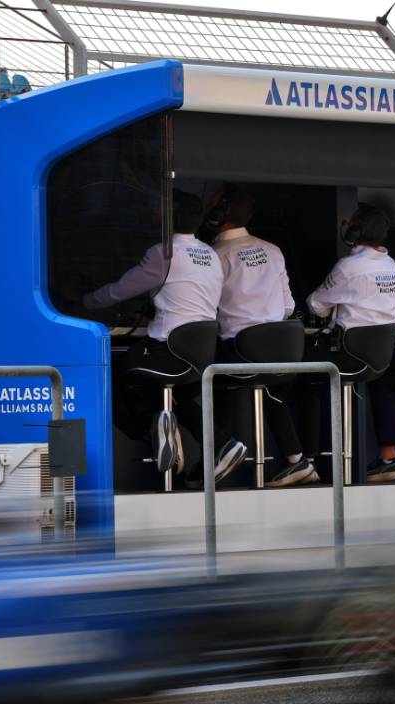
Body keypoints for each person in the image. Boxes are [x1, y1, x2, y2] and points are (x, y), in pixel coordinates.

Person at [84, 191, 247, 485]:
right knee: (176, 396)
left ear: (167, 218)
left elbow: (119, 291)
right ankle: (223, 443)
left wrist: (82, 303)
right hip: (201, 354)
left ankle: (153, 434)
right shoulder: (210, 253)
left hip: (168, 351)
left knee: (108, 375)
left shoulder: (165, 253)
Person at [210, 185, 314, 488]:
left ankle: (219, 452)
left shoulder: (215, 255)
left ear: (220, 213)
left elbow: (204, 308)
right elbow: (288, 306)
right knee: (268, 385)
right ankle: (296, 460)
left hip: (239, 352)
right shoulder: (273, 249)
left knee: (207, 373)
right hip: (281, 349)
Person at [297, 204, 395, 481]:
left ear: (356, 231)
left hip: (347, 355)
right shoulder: (392, 266)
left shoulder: (349, 266)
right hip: (379, 359)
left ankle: (305, 460)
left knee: (299, 372)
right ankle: (388, 459)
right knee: (379, 382)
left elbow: (316, 304)